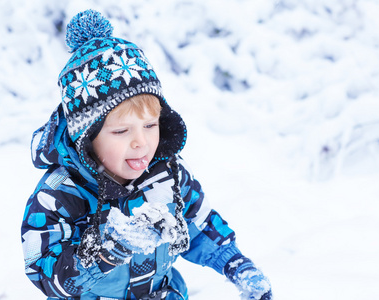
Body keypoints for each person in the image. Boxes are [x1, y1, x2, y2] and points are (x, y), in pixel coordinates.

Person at [21, 9, 272, 300]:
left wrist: (236, 264)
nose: (141, 142)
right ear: (87, 139)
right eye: (121, 132)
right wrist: (107, 251)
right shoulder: (59, 196)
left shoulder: (167, 173)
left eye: (150, 125)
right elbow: (47, 275)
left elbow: (197, 224)